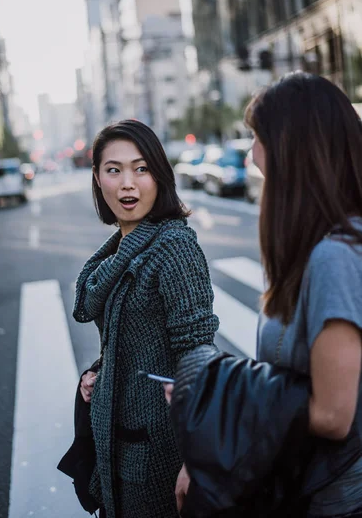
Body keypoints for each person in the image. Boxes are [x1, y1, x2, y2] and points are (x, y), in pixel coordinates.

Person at [165, 72, 362, 518]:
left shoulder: (336, 256)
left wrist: (210, 397)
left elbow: (333, 414)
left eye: (255, 137)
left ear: (290, 151)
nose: (251, 153)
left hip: (334, 500)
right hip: (307, 484)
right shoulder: (322, 247)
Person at [70, 120, 219, 518]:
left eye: (141, 168)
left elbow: (198, 354)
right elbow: (136, 337)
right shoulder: (121, 249)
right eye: (113, 170)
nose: (127, 184)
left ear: (159, 174)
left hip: (160, 458)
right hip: (116, 448)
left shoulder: (174, 247)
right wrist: (101, 373)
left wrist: (195, 460)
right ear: (98, 179)